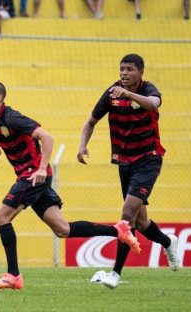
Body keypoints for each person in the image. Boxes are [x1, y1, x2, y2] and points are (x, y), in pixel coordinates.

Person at [0, 80, 141, 290]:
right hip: (30, 177)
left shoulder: (12, 118)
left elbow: (47, 137)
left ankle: (13, 275)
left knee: (0, 217)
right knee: (62, 229)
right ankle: (118, 231)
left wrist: (42, 168)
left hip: (33, 175)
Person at [77, 54, 179, 289]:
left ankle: (115, 274)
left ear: (140, 72)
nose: (124, 73)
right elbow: (90, 121)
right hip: (124, 162)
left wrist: (129, 95)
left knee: (127, 214)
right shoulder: (112, 92)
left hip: (148, 159)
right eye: (121, 69)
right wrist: (82, 146)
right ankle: (167, 242)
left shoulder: (148, 89)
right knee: (141, 222)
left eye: (129, 69)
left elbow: (153, 103)